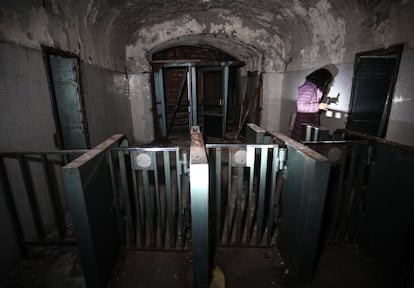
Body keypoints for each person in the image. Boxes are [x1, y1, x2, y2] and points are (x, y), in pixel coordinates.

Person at [291, 68, 333, 141]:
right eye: (326, 81)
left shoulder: (314, 88)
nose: (326, 83)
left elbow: (313, 103)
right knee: (301, 146)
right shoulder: (309, 88)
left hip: (309, 122)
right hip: (304, 122)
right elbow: (300, 106)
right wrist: (319, 106)